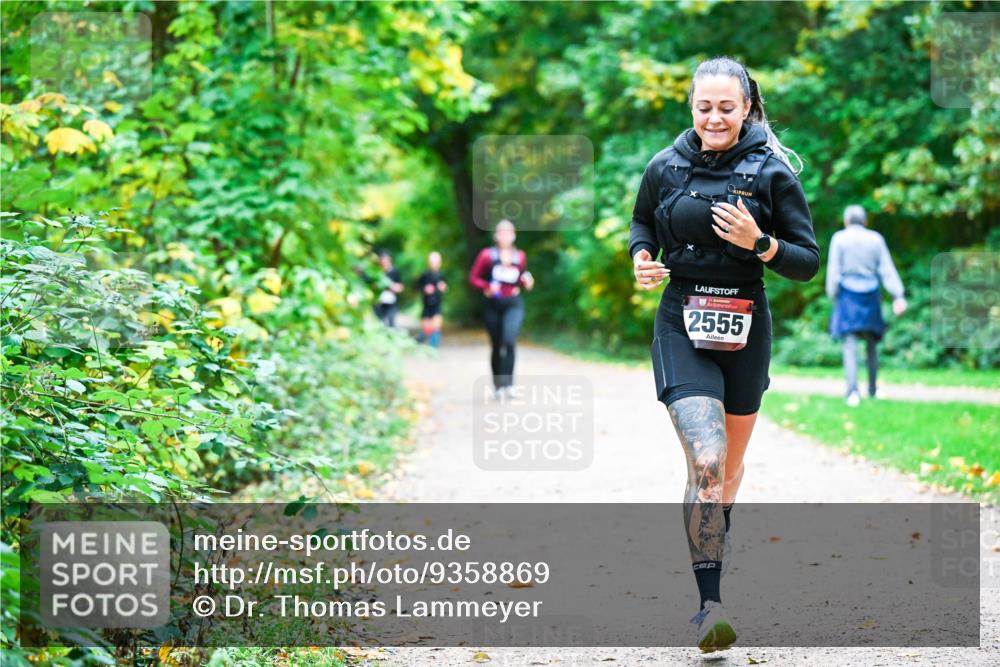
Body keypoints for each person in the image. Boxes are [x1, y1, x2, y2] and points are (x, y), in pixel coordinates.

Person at [628, 56, 820, 652]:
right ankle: (710, 606)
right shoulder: (665, 165)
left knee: (726, 475)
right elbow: (641, 223)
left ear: (746, 107)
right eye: (704, 107)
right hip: (680, 321)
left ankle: (711, 556)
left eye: (726, 107)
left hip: (745, 326)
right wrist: (640, 258)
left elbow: (806, 261)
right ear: (692, 107)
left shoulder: (771, 173)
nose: (714, 117)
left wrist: (759, 243)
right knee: (707, 461)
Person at [826, 205, 906, 406]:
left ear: (846, 221)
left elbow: (834, 269)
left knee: (850, 345)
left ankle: (852, 392)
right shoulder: (876, 239)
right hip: (871, 294)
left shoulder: (839, 238)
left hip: (847, 295)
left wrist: (832, 293)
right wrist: (898, 295)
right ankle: (873, 389)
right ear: (865, 221)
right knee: (872, 345)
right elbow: (886, 268)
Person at [468, 220, 534, 397]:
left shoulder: (519, 256)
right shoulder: (487, 255)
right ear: (496, 235)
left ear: (513, 235)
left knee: (509, 339)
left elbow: (521, 277)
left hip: (513, 303)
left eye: (509, 232)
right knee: (496, 344)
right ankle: (498, 386)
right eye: (502, 232)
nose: (505, 236)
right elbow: (473, 278)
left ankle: (509, 384)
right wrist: (487, 286)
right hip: (492, 305)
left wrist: (526, 282)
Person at [416, 251, 448, 348]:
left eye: (436, 262)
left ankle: (433, 348)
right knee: (427, 329)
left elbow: (445, 287)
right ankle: (417, 341)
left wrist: (443, 287)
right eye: (432, 262)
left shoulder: (441, 275)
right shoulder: (424, 275)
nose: (434, 264)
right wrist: (425, 289)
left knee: (436, 326)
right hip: (427, 304)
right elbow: (417, 287)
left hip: (437, 304)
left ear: (439, 263)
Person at [374, 251, 403, 328]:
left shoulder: (394, 271)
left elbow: (400, 286)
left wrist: (394, 287)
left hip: (391, 301)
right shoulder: (377, 271)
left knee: (391, 324)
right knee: (380, 323)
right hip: (379, 301)